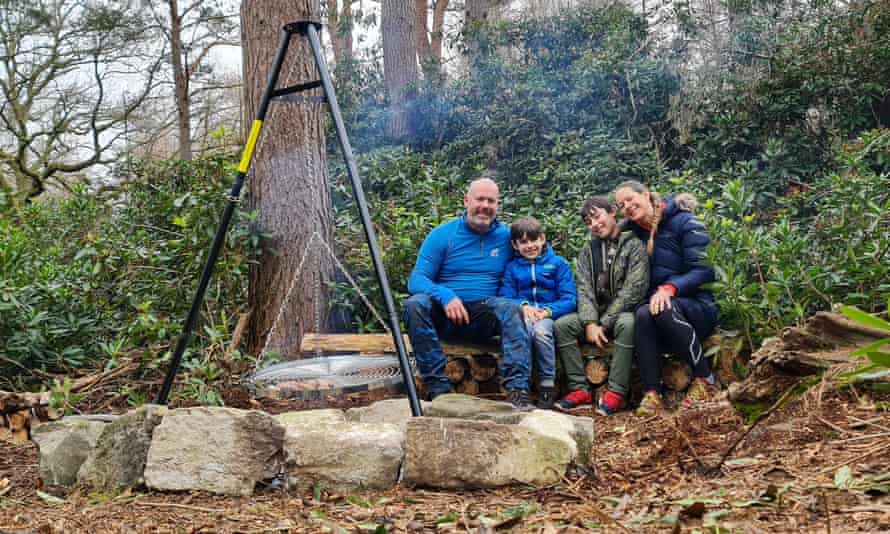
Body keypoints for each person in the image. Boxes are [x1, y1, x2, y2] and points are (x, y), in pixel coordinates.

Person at [403, 175, 535, 410]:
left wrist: (537, 304)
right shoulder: (443, 235)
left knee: (511, 308)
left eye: (491, 201)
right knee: (415, 305)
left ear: (497, 205)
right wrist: (446, 296)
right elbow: (416, 279)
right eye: (480, 199)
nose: (485, 205)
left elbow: (537, 262)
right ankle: (439, 390)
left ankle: (518, 392)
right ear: (466, 201)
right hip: (445, 315)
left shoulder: (507, 237)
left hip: (484, 314)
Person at [613, 180, 719, 415]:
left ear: (646, 195)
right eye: (622, 204)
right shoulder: (633, 236)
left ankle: (706, 379)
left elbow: (704, 270)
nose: (628, 206)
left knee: (661, 307)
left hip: (697, 306)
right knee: (642, 314)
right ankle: (652, 393)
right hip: (658, 308)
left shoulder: (684, 222)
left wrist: (671, 288)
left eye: (631, 199)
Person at [553, 196, 649, 415]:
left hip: (623, 313)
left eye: (597, 217)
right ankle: (580, 390)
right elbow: (584, 287)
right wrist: (589, 322)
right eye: (588, 222)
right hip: (595, 315)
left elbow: (633, 291)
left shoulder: (634, 245)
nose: (594, 224)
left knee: (628, 323)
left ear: (613, 212)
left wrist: (603, 324)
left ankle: (616, 391)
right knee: (562, 325)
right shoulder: (588, 249)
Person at [498, 216, 577, 409]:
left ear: (542, 238)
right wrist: (523, 306)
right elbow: (505, 295)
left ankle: (547, 387)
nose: (530, 246)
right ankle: (520, 387)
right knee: (520, 332)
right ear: (515, 245)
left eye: (533, 240)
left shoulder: (558, 264)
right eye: (523, 242)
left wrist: (548, 311)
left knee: (541, 333)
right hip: (524, 315)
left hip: (547, 315)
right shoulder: (512, 268)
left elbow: (570, 298)